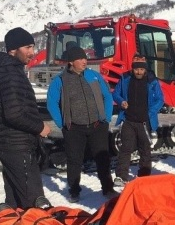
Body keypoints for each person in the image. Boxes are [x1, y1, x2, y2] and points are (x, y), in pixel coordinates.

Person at [0, 27, 52, 210]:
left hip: (11, 144)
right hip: (16, 144)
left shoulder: (8, 71)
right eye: (27, 47)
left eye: (33, 47)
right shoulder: (10, 74)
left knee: (16, 201)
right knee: (34, 202)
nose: (32, 52)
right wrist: (40, 127)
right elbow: (14, 114)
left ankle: (11, 224)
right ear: (13, 50)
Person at [46, 45, 115, 202]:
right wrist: (63, 124)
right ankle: (74, 191)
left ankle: (108, 188)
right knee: (74, 160)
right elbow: (52, 103)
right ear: (71, 62)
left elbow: (107, 96)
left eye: (85, 58)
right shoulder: (60, 80)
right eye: (80, 59)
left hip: (97, 125)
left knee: (103, 158)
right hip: (74, 128)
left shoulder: (94, 76)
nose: (84, 61)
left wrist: (106, 118)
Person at [111, 55, 165, 187]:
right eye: (136, 69)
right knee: (125, 148)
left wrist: (150, 112)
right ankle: (121, 176)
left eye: (141, 69)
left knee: (145, 149)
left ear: (145, 69)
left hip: (144, 122)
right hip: (128, 120)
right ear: (132, 69)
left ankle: (144, 176)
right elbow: (115, 94)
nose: (139, 72)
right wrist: (121, 101)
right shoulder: (125, 78)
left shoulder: (152, 81)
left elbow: (160, 99)